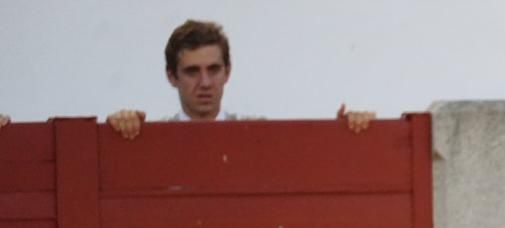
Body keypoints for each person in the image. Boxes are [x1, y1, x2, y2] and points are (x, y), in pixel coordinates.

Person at [107, 20, 373, 140]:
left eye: (213, 69)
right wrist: (118, 131)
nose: (205, 82)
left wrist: (347, 135)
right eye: (192, 71)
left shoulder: (259, 134)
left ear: (228, 72)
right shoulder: (151, 138)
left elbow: (315, 168)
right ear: (171, 76)